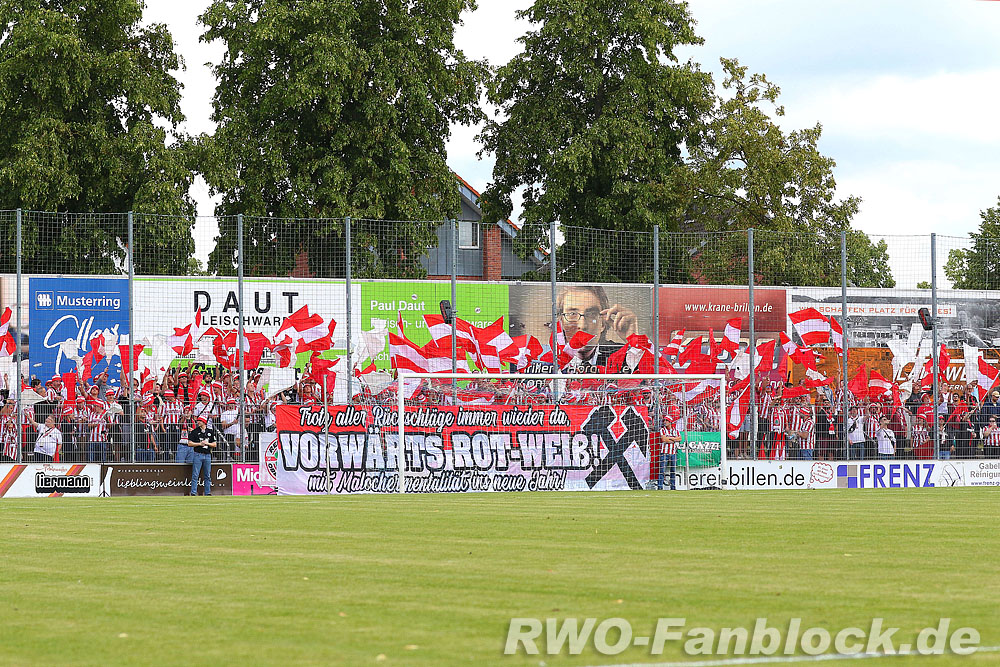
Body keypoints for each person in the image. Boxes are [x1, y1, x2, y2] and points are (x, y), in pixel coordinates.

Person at [554, 285, 637, 370]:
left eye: (591, 314)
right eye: (572, 314)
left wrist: (634, 342)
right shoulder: (549, 361)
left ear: (603, 324)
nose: (582, 326)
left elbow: (647, 378)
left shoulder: (623, 356)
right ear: (561, 322)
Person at [188, 415, 217, 496]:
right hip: (198, 454)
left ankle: (207, 492)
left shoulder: (210, 432)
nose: (198, 422)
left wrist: (207, 443)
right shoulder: (195, 431)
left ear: (204, 422)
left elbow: (214, 444)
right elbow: (189, 443)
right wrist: (199, 444)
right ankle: (193, 492)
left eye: (200, 421)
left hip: (207, 455)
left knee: (207, 475)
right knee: (195, 475)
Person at [657, 419, 682, 490]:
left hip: (673, 453)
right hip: (664, 453)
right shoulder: (662, 430)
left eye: (666, 421)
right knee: (662, 470)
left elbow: (680, 438)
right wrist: (674, 438)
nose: (665, 422)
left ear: (670, 422)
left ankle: (673, 487)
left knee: (673, 471)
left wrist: (670, 438)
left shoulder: (676, 430)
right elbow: (664, 439)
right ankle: (660, 487)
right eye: (664, 420)